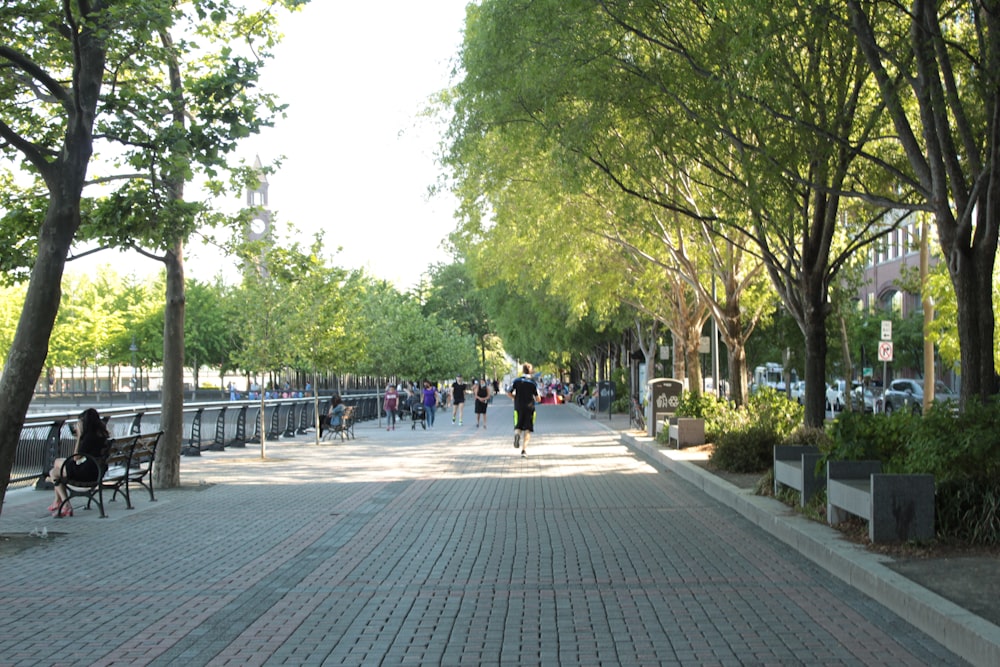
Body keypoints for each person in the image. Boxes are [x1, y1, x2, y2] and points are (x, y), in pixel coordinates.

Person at [48, 408, 110, 517]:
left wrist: (79, 437)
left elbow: (76, 457)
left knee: (54, 473)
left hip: (86, 473)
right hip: (98, 471)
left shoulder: (89, 438)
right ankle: (57, 501)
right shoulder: (102, 435)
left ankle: (65, 504)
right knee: (57, 462)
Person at [507, 363, 541, 457]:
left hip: (518, 406)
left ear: (523, 370)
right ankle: (524, 450)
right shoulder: (533, 383)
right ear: (531, 371)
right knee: (527, 429)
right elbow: (538, 398)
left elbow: (508, 392)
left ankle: (517, 435)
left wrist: (515, 397)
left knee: (518, 425)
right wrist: (536, 399)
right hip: (529, 407)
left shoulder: (516, 381)